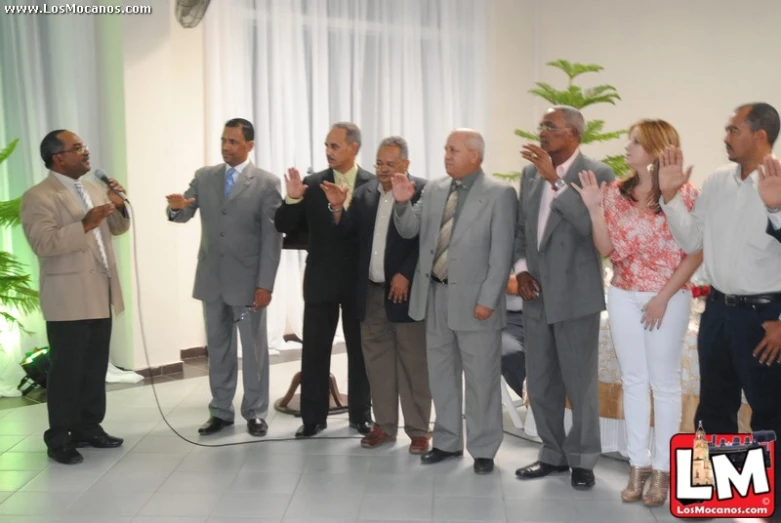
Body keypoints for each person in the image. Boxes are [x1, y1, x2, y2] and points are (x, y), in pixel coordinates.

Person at [573, 119, 703, 505]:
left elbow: (695, 252)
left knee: (663, 384)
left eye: (635, 142)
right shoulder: (615, 193)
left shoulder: (686, 194)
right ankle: (638, 465)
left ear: (656, 147)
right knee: (633, 380)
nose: (626, 147)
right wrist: (595, 210)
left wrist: (663, 296)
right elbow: (608, 250)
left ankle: (663, 471)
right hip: (624, 294)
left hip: (669, 296)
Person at [658, 102, 781, 509]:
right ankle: (715, 499)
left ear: (760, 135)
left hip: (765, 318)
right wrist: (671, 196)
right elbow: (693, 242)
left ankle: (769, 505)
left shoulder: (779, 181)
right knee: (714, 406)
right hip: (718, 312)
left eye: (733, 130)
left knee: (769, 412)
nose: (725, 137)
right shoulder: (716, 180)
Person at [391, 128, 517, 475]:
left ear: (475, 155)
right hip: (435, 296)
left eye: (454, 150)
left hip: (477, 302)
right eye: (446, 149)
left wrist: (489, 299)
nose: (447, 155)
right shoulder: (433, 189)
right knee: (442, 376)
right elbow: (410, 230)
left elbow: (502, 252)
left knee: (481, 379)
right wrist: (402, 203)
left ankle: (484, 448)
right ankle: (446, 442)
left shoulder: (500, 194)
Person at [513, 105, 615, 490]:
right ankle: (552, 454)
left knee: (579, 382)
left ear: (573, 133)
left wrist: (554, 181)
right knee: (540, 382)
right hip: (536, 294)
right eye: (541, 125)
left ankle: (583, 459)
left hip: (577, 295)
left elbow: (593, 230)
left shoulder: (598, 174)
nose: (542, 132)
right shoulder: (528, 174)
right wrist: (521, 269)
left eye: (550, 126)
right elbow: (522, 230)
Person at [165, 118, 282, 437]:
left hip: (248, 282)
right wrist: (176, 209)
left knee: (254, 350)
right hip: (212, 279)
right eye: (223, 140)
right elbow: (185, 212)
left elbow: (272, 239)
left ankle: (256, 412)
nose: (226, 147)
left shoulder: (267, 183)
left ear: (249, 145)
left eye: (233, 141)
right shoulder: (205, 177)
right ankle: (220, 410)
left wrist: (265, 284)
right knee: (218, 349)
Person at [20, 129, 130, 464]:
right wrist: (83, 223)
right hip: (67, 296)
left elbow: (118, 228)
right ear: (58, 158)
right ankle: (59, 437)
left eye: (84, 145)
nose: (85, 152)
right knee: (67, 370)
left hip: (99, 290)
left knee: (95, 365)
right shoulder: (39, 196)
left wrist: (118, 204)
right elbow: (43, 243)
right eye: (77, 148)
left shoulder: (94, 188)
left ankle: (88, 427)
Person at [322, 136, 432, 454]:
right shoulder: (365, 194)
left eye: (391, 164)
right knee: (377, 363)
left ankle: (419, 430)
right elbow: (348, 237)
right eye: (379, 163)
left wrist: (406, 273)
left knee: (414, 362)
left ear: (406, 165)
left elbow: (426, 242)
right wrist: (338, 208)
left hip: (405, 293)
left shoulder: (422, 190)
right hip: (370, 293)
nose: (383, 170)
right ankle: (384, 425)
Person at [274, 122, 374, 438]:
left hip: (359, 281)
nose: (329, 152)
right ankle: (313, 419)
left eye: (335, 146)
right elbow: (285, 226)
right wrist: (291, 199)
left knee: (360, 351)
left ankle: (361, 415)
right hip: (321, 279)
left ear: (354, 148)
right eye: (327, 146)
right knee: (315, 350)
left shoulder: (372, 185)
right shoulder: (313, 183)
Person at [501, 267, 526, 399]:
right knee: (508, 350)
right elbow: (513, 285)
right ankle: (540, 408)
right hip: (505, 317)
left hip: (549, 310)